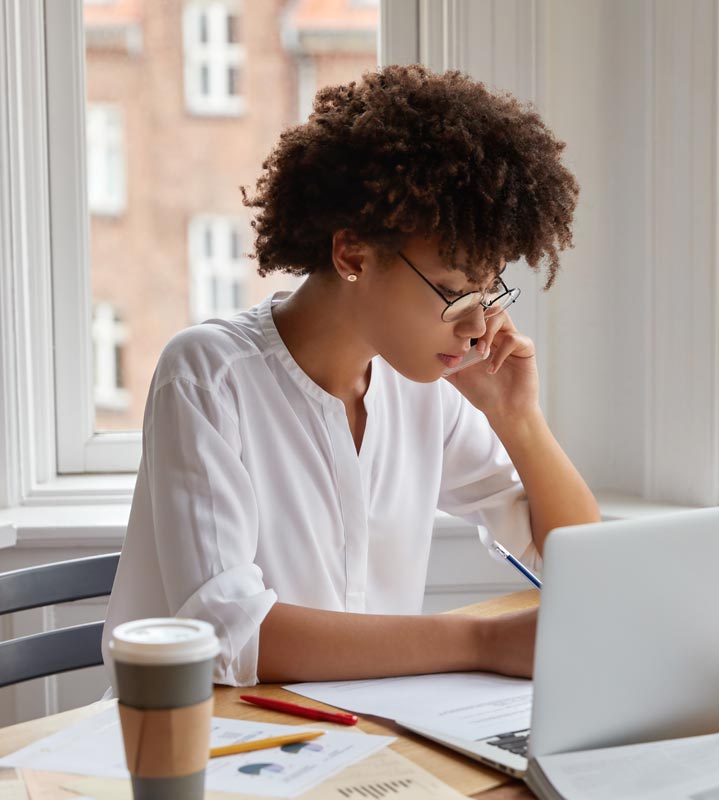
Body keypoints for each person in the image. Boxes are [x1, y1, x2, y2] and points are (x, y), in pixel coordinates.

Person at [102, 64, 599, 688]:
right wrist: (479, 639)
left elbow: (582, 566)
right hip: (208, 751)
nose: (477, 325)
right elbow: (229, 637)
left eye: (489, 290)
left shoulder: (421, 390)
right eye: (452, 291)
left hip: (366, 740)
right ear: (352, 255)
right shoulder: (209, 375)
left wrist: (519, 421)